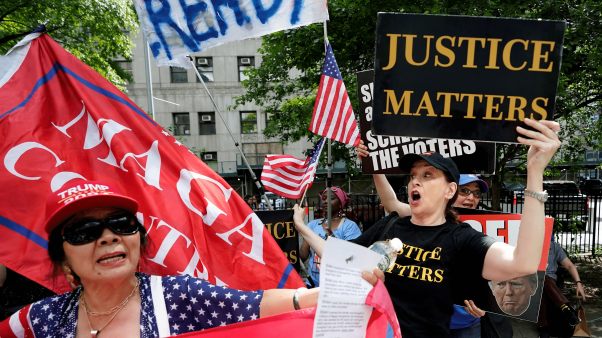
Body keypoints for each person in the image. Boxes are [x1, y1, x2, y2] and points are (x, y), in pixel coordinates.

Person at [0, 180, 383, 337]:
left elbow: (258, 304)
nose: (108, 236)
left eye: (120, 223)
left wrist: (336, 288)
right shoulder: (35, 322)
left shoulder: (176, 297)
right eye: (84, 232)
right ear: (64, 263)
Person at [294, 118, 561, 338]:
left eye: (427, 175)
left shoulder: (462, 239)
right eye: (412, 176)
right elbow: (340, 255)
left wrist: (534, 172)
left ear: (450, 190)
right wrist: (302, 228)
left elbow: (523, 263)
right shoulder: (391, 224)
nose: (414, 182)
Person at [357, 140, 509, 338]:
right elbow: (392, 202)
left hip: (466, 322)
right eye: (465, 190)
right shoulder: (423, 216)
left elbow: (504, 270)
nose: (470, 197)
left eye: (476, 193)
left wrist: (487, 304)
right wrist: (374, 167)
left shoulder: (487, 229)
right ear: (451, 191)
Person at [299, 187, 361, 287]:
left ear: (341, 203)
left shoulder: (349, 226)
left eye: (331, 198)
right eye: (323, 199)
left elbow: (350, 257)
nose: (326, 201)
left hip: (337, 287)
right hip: (312, 285)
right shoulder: (313, 225)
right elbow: (303, 253)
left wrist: (332, 238)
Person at [538, 238, 587, 338]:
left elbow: (569, 265)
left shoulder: (554, 246)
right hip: (532, 279)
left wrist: (579, 283)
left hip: (550, 280)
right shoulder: (529, 246)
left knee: (542, 286)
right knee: (540, 279)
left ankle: (543, 326)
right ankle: (566, 308)